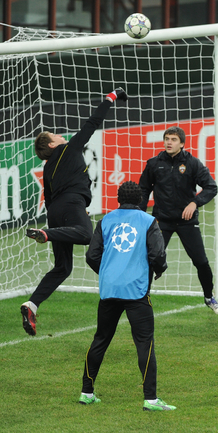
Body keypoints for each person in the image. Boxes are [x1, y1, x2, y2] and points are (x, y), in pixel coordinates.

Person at [21, 87, 128, 336]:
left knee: (62, 268)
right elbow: (93, 122)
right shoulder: (69, 149)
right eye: (55, 135)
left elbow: (49, 198)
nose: (60, 135)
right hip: (69, 206)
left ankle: (31, 304)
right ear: (52, 144)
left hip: (56, 212)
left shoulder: (49, 168)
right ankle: (47, 234)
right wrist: (111, 97)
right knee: (86, 235)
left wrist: (67, 219)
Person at [79, 181, 175, 411]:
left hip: (110, 290)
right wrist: (159, 269)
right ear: (141, 199)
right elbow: (157, 254)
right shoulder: (148, 221)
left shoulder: (106, 220)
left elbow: (92, 256)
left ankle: (86, 393)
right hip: (136, 291)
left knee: (101, 339)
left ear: (118, 199)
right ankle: (151, 399)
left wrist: (108, 273)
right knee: (144, 344)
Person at [138, 126, 218, 315]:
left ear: (182, 144)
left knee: (201, 261)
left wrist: (195, 202)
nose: (169, 142)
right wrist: (140, 214)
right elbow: (143, 189)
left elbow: (211, 187)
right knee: (150, 260)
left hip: (187, 221)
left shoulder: (192, 163)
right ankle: (142, 297)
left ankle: (209, 297)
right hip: (161, 220)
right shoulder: (154, 164)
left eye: (174, 139)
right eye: (167, 139)